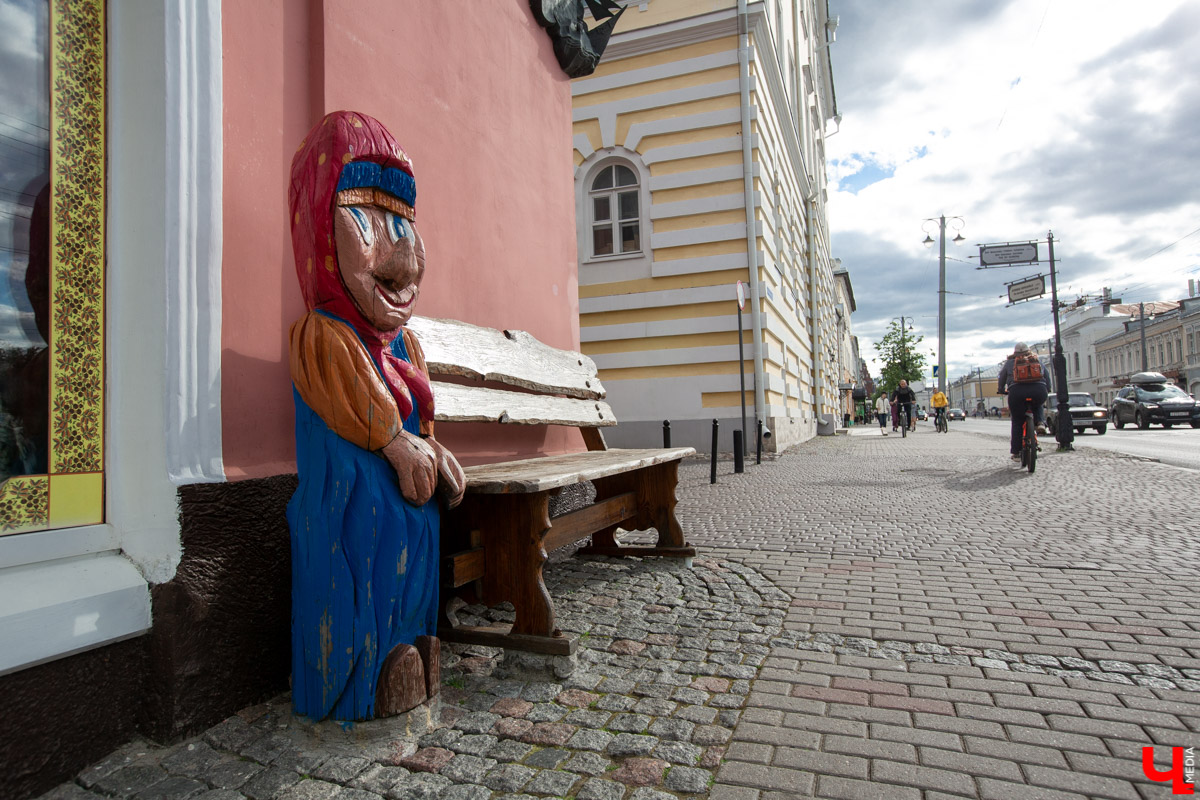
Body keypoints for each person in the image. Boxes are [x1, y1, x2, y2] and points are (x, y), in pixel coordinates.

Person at [287, 111, 466, 722]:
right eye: (366, 216)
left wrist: (430, 445)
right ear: (319, 228)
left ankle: (414, 640)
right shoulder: (324, 335)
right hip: (355, 518)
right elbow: (358, 407)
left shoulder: (403, 349)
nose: (403, 252)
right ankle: (365, 672)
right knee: (364, 551)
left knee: (418, 541)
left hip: (409, 513)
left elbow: (415, 414)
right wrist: (394, 443)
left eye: (405, 221)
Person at [997, 341, 1050, 461]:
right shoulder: (1036, 360)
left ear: (1014, 352)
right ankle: (1040, 423)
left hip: (1016, 392)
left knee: (1017, 421)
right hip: (1038, 389)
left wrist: (1001, 389)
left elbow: (1001, 377)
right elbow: (1046, 375)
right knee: (1038, 404)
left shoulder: (1010, 363)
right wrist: (1047, 388)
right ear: (1028, 351)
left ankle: (1016, 453)